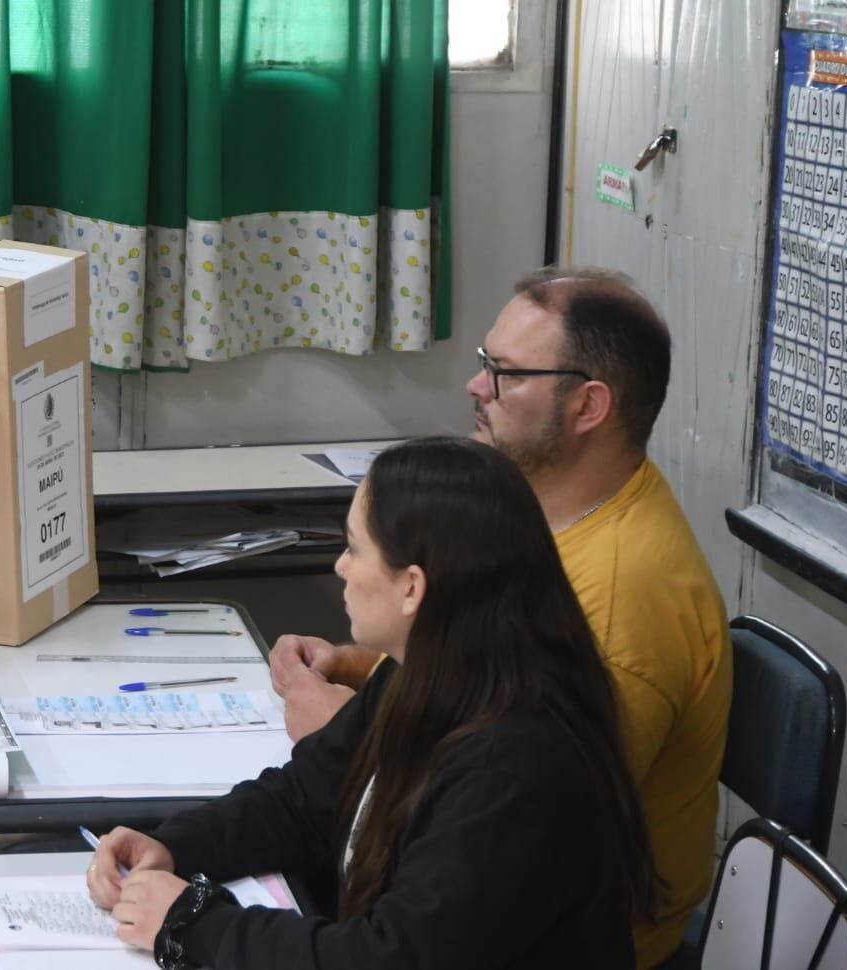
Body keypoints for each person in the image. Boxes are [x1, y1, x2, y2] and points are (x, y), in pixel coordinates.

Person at [268, 268, 732, 967]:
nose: (476, 387)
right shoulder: (555, 512)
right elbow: (493, 674)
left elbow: (512, 817)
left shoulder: (618, 595)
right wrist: (368, 667)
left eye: (506, 373)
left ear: (588, 407)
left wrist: (349, 735)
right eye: (487, 365)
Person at [87, 437, 660, 968]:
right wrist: (174, 845)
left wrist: (195, 922)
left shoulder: (516, 768)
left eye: (355, 549)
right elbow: (301, 800)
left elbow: (390, 959)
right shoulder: (426, 676)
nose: (341, 565)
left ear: (412, 587)